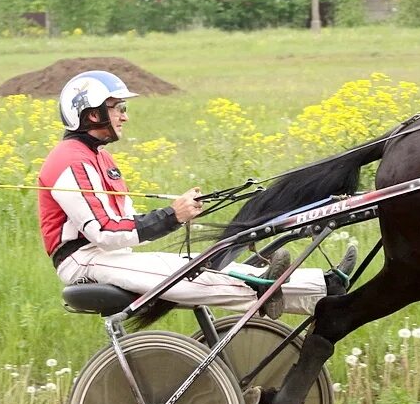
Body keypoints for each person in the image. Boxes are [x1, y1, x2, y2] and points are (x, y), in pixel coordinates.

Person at [38, 69, 355, 319]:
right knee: (189, 278)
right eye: (118, 108)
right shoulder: (69, 160)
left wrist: (176, 217)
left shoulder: (100, 157)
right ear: (93, 114)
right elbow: (106, 232)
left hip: (110, 256)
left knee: (204, 265)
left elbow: (124, 225)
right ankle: (264, 293)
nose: (125, 115)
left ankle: (325, 285)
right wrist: (170, 216)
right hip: (84, 261)